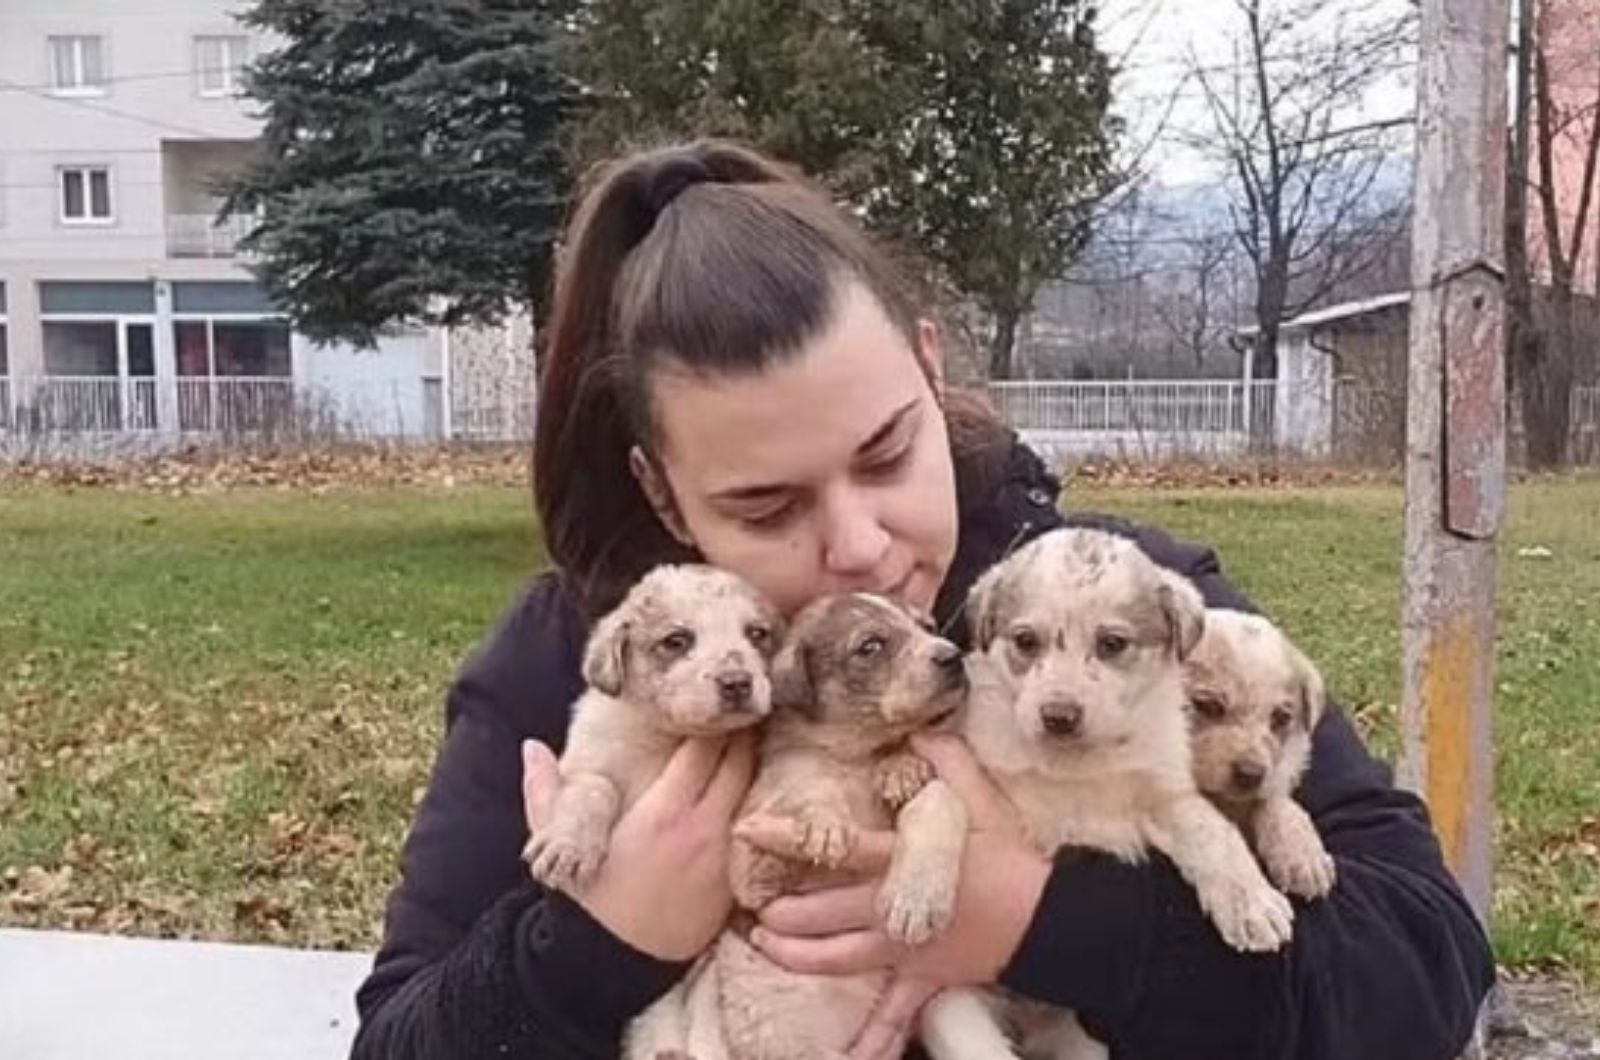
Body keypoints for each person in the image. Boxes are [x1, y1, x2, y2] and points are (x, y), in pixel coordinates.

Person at [350, 139, 1493, 1060]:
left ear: (931, 370)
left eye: (889, 451)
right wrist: (596, 941)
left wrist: (1040, 920)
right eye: (764, 505)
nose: (857, 544)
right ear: (659, 487)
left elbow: (1426, 966)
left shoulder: (1124, 600)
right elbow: (397, 1039)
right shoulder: (573, 666)